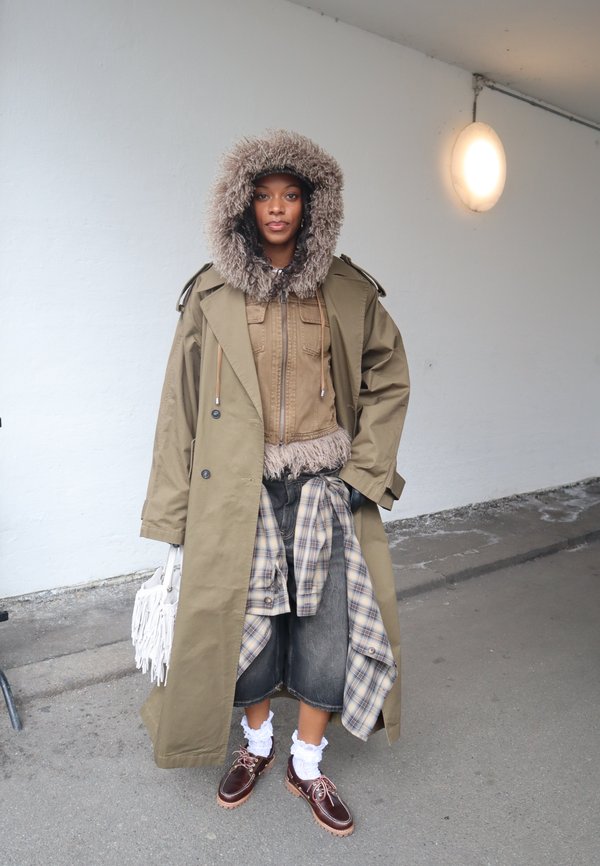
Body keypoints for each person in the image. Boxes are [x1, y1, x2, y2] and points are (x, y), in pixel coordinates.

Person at [139, 129, 410, 836]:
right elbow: (181, 406)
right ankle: (257, 744)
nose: (278, 209)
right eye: (263, 196)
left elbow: (389, 378)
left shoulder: (348, 290)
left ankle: (308, 760)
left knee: (326, 626)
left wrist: (364, 473)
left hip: (324, 485)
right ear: (242, 205)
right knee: (244, 628)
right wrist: (173, 520)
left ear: (313, 204)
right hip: (239, 491)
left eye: (292, 195)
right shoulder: (210, 295)